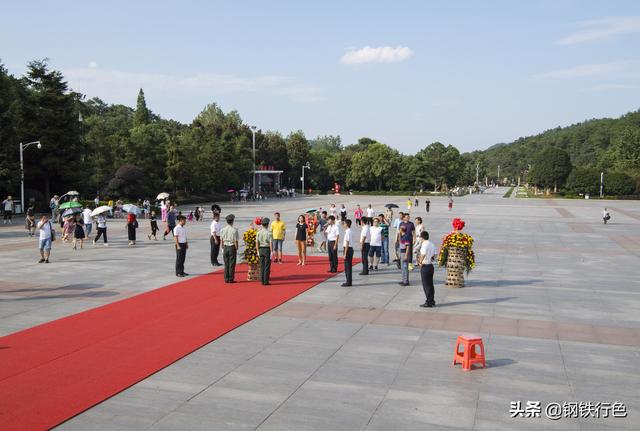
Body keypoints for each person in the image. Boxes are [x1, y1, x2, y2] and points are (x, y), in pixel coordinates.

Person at [417, 230, 436, 307]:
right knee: (430, 285)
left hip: (425, 266)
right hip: (431, 266)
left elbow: (423, 254)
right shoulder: (431, 244)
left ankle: (428, 302)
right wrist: (430, 258)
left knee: (426, 285)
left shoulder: (424, 244)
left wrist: (420, 262)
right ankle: (432, 300)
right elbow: (434, 255)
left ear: (422, 237)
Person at [221, 214, 239, 283]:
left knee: (226, 263)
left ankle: (226, 278)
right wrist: (236, 248)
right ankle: (231, 279)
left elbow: (221, 240)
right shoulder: (234, 230)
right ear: (232, 221)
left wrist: (222, 247)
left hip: (225, 247)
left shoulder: (223, 229)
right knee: (232, 264)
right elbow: (235, 240)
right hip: (232, 247)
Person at [256, 217, 273, 285]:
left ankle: (262, 280)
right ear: (267, 224)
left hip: (260, 249)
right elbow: (271, 243)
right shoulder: (269, 233)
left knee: (262, 265)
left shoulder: (258, 232)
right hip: (267, 249)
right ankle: (266, 281)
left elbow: (257, 242)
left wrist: (257, 251)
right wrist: (272, 252)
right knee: (267, 266)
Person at [342, 219, 353, 287]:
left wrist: (345, 254)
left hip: (348, 249)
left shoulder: (348, 232)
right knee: (347, 267)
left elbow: (347, 243)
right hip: (349, 249)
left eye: (344, 223)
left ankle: (348, 282)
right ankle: (348, 281)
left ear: (346, 224)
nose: (343, 225)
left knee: (347, 267)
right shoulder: (349, 231)